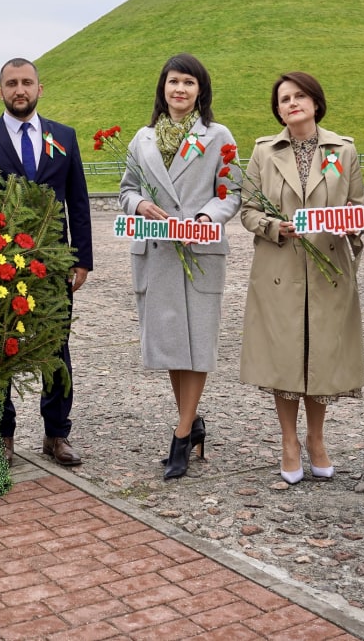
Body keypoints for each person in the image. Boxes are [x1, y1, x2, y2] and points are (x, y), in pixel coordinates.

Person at [0, 58, 93, 467]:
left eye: (27, 82)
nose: (20, 89)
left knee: (56, 348)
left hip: (54, 263)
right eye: (11, 83)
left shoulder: (64, 137)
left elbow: (79, 201)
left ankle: (57, 434)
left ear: (40, 88)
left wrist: (82, 258)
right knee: (0, 347)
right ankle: (3, 435)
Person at [238, 72, 364, 484]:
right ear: (278, 109)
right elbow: (246, 211)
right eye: (284, 99)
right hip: (281, 267)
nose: (292, 103)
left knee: (321, 355)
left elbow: (359, 207)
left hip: (328, 268)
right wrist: (275, 226)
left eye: (299, 96)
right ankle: (289, 442)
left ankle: (317, 439)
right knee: (285, 355)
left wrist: (352, 225)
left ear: (315, 101)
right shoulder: (263, 152)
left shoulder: (343, 150)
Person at [119, 53, 241, 480]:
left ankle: (182, 432)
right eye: (173, 82)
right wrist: (140, 204)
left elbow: (230, 192)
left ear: (200, 90)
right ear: (163, 88)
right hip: (159, 254)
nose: (180, 90)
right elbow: (126, 190)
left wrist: (207, 218)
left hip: (199, 250)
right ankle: (191, 424)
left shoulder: (217, 135)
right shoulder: (143, 138)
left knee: (198, 344)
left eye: (188, 83)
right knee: (174, 345)